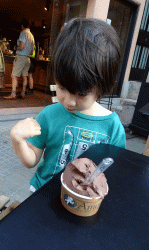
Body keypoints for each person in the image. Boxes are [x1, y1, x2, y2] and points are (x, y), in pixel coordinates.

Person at [10, 18, 126, 193]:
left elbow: (114, 171)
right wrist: (17, 140)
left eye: (81, 94)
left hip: (83, 198)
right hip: (43, 193)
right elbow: (31, 160)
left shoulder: (112, 127)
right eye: (62, 88)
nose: (69, 101)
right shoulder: (49, 116)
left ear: (101, 87)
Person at [4, 18, 34, 99]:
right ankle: (23, 93)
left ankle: (13, 94)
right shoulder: (31, 35)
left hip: (21, 57)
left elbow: (21, 46)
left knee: (14, 75)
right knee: (25, 76)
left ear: (22, 25)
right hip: (28, 58)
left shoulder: (23, 33)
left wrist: (15, 47)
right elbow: (31, 52)